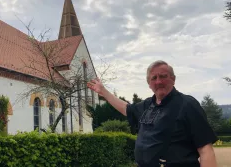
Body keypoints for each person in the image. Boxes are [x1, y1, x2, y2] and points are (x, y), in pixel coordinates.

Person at [87, 60, 218, 167]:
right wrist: (103, 91)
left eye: (163, 76)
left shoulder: (188, 105)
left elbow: (206, 152)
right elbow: (126, 108)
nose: (158, 81)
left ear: (173, 79)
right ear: (149, 83)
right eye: (154, 78)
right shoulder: (146, 105)